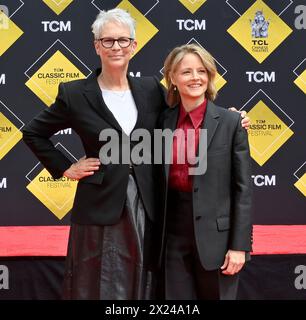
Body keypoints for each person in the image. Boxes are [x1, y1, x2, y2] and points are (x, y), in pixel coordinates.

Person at [23, 9, 250, 300]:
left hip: (148, 204)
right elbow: (33, 132)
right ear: (96, 46)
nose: (115, 47)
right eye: (107, 41)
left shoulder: (150, 89)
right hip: (99, 208)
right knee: (94, 285)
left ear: (134, 46)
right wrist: (66, 167)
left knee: (146, 287)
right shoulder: (74, 93)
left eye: (122, 40)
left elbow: (185, 114)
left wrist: (230, 117)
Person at [157, 44, 253, 300]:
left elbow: (243, 190)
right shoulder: (160, 122)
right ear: (173, 78)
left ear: (210, 76)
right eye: (186, 71)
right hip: (171, 238)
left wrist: (239, 246)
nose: (195, 77)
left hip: (219, 242)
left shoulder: (232, 123)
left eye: (202, 71)